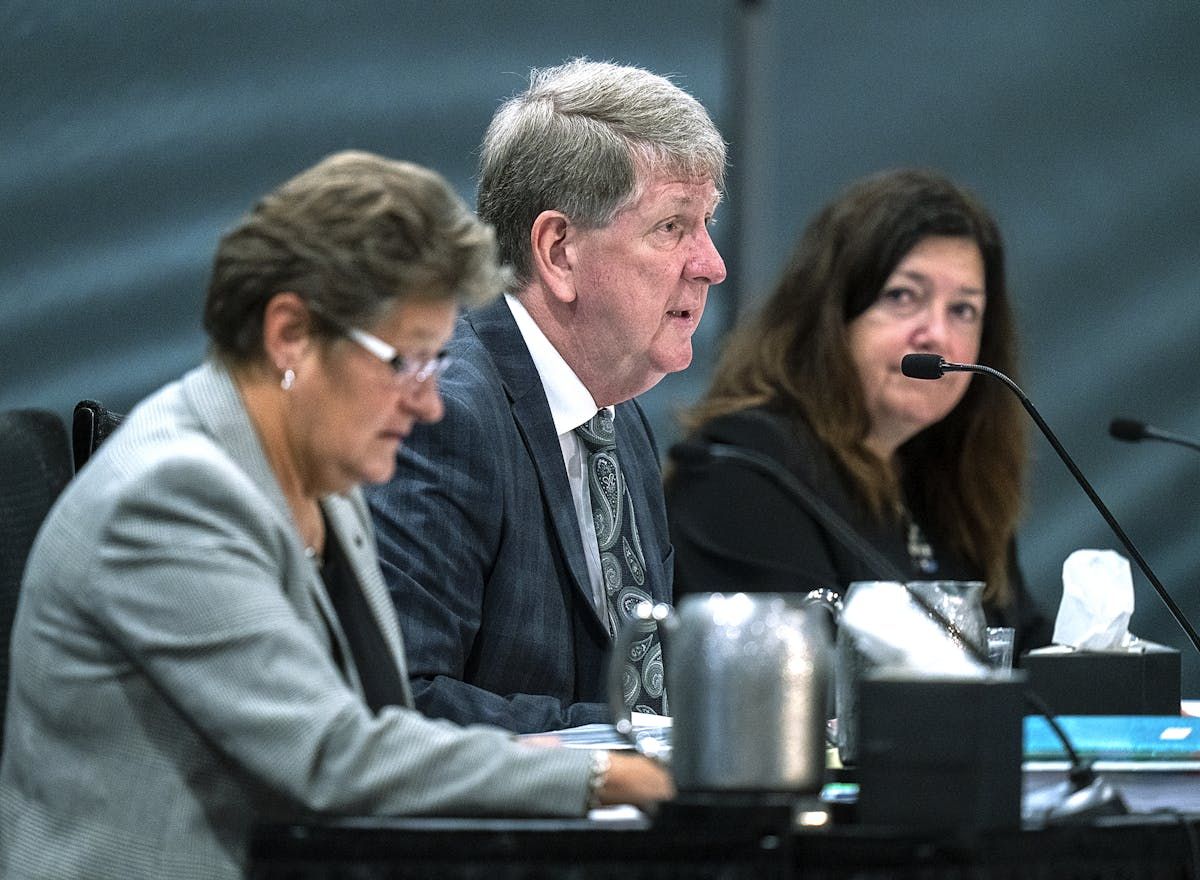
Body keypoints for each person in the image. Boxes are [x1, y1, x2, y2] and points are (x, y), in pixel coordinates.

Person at [0, 151, 671, 880]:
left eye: (435, 363)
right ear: (290, 334)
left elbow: (387, 722)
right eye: (406, 363)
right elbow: (331, 757)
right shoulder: (170, 498)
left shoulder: (321, 473)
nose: (430, 403)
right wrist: (600, 774)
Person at [366, 59, 727, 733]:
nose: (711, 264)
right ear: (559, 251)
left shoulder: (619, 418)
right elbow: (402, 705)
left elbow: (639, 685)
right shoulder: (444, 414)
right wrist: (632, 748)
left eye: (706, 222)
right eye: (672, 227)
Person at [666, 168, 1049, 655]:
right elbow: (802, 685)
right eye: (903, 296)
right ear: (829, 316)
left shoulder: (952, 487)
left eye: (963, 310)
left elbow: (1031, 663)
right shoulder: (743, 474)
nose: (936, 334)